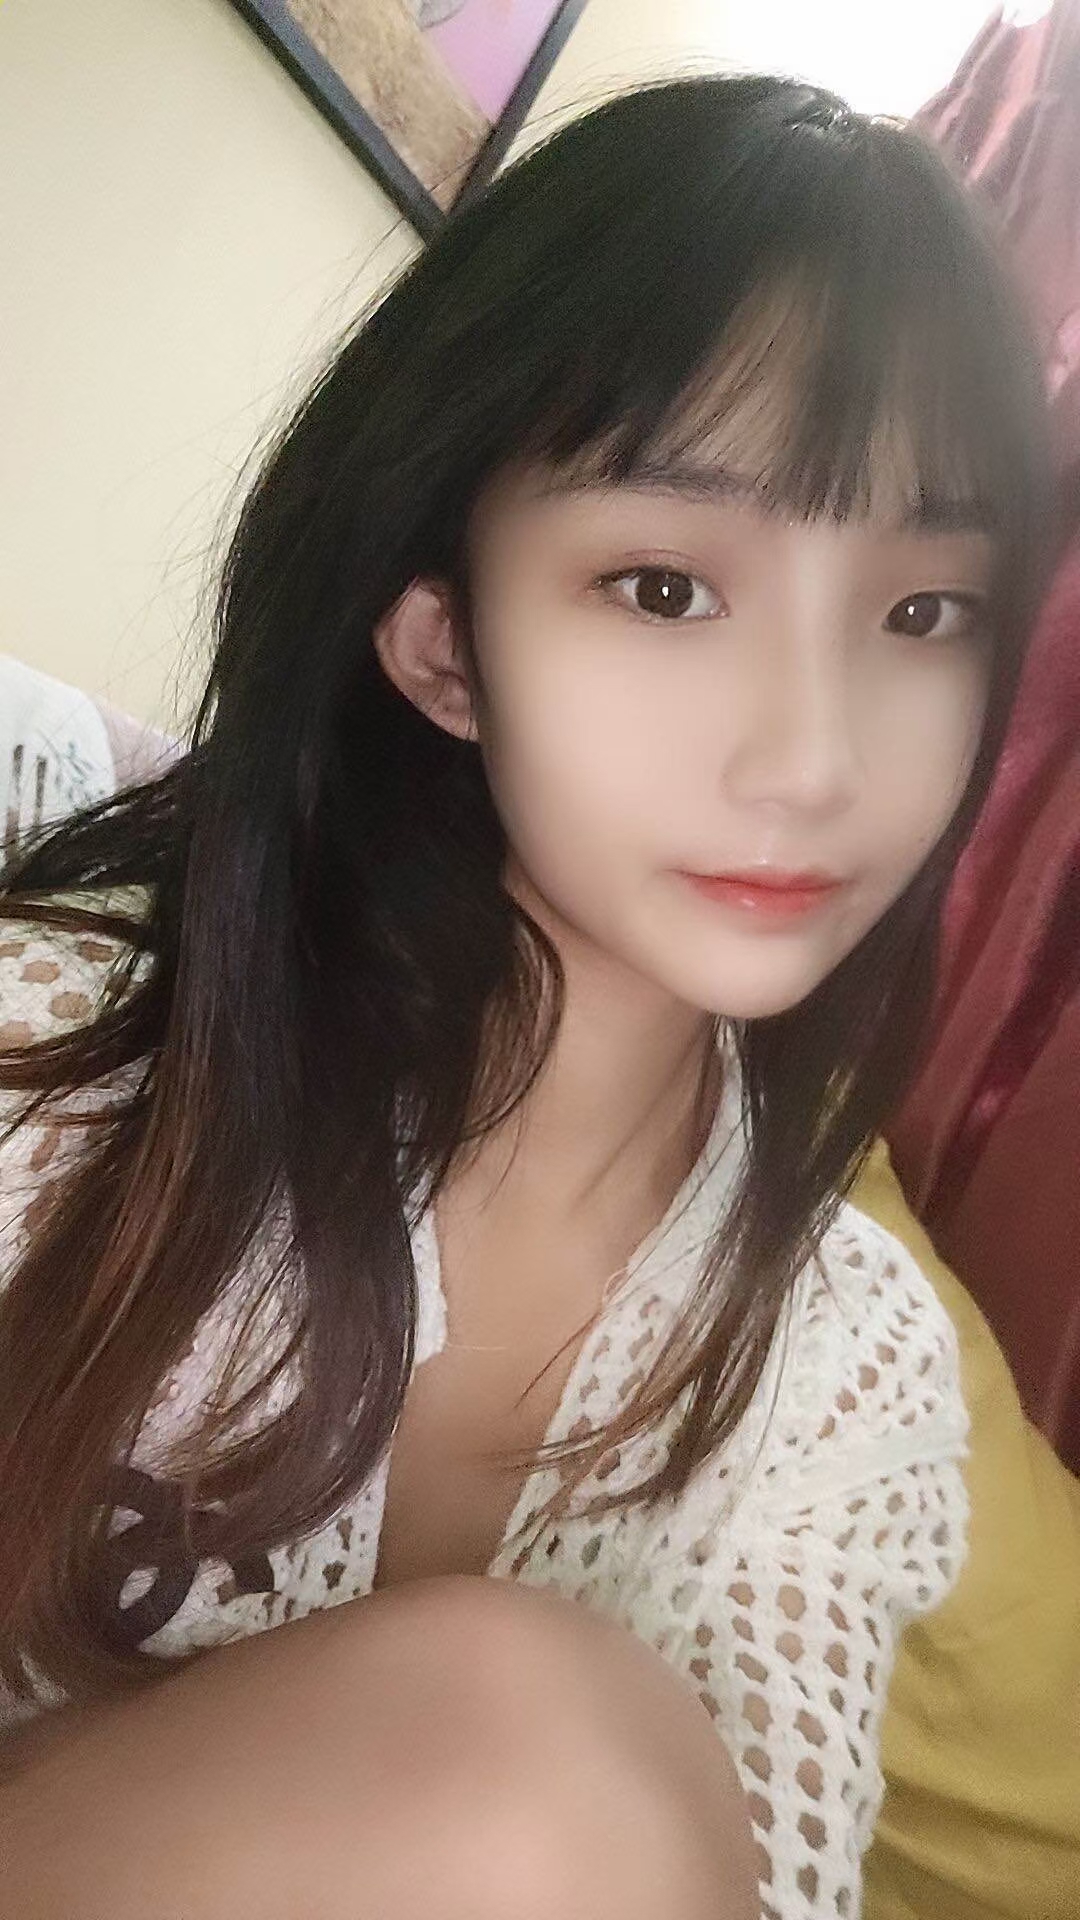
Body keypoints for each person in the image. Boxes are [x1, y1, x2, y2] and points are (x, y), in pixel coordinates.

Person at [0, 71, 1055, 1920]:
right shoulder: (63, 1058)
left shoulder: (846, 1375)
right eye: (664, 588)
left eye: (920, 615)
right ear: (446, 648)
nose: (814, 760)